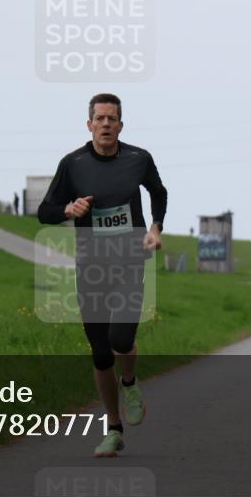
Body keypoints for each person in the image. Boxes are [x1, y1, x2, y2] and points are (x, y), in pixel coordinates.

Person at [38, 93, 167, 457]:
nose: (106, 124)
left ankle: (129, 382)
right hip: (91, 267)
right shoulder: (73, 164)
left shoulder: (139, 159)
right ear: (89, 124)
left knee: (121, 337)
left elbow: (159, 192)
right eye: (100, 118)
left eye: (113, 119)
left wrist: (155, 228)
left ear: (120, 125)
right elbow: (44, 211)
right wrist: (68, 207)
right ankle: (113, 428)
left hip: (129, 260)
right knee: (99, 352)